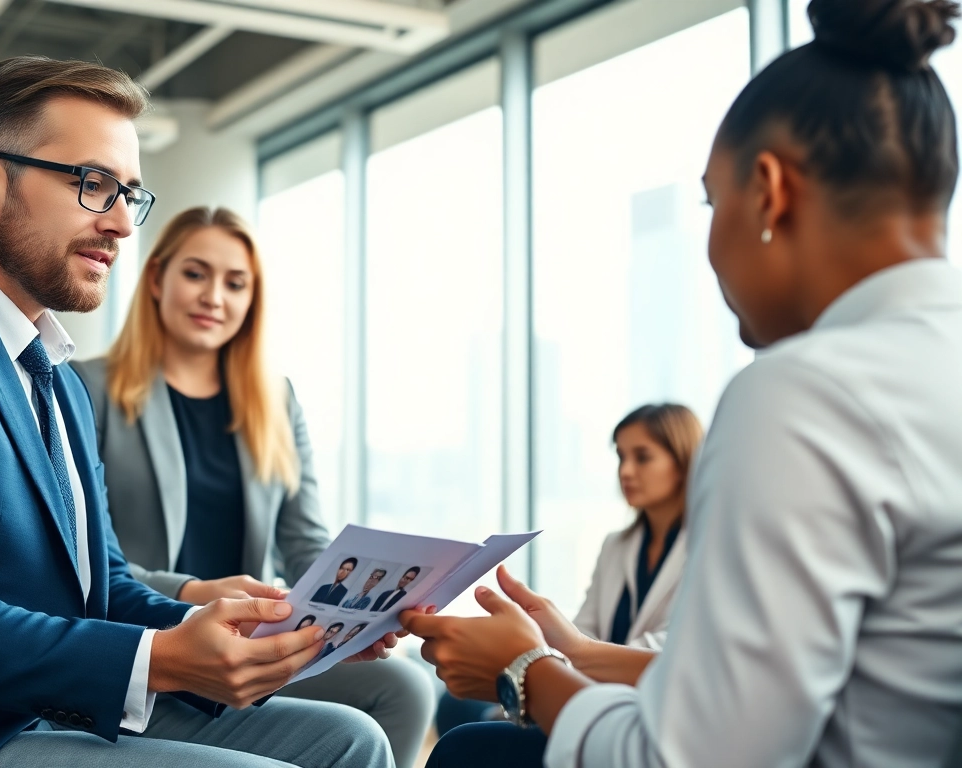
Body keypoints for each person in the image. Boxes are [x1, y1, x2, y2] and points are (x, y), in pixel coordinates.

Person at [0, 56, 395, 768]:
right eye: (93, 184)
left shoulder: (57, 378)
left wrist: (239, 629)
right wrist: (165, 659)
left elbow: (102, 586)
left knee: (349, 740)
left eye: (130, 196)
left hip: (35, 719)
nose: (120, 223)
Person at [406, 1, 962, 766]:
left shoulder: (807, 394)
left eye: (712, 200)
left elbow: (684, 757)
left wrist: (525, 671)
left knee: (473, 753)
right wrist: (575, 652)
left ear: (768, 192)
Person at [72, 206, 434, 767]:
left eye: (235, 283)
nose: (214, 296)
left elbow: (308, 545)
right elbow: (91, 564)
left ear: (251, 299)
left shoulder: (276, 399)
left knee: (406, 688)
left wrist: (356, 615)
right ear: (157, 279)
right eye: (196, 273)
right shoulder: (86, 388)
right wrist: (198, 591)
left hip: (250, 638)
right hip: (149, 640)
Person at [434, 404, 703, 740]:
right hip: (585, 681)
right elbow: (584, 626)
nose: (626, 471)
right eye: (621, 457)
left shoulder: (709, 549)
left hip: (643, 702)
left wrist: (547, 672)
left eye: (642, 457)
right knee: (452, 705)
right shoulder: (616, 544)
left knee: (464, 740)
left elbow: (668, 647)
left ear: (682, 462)